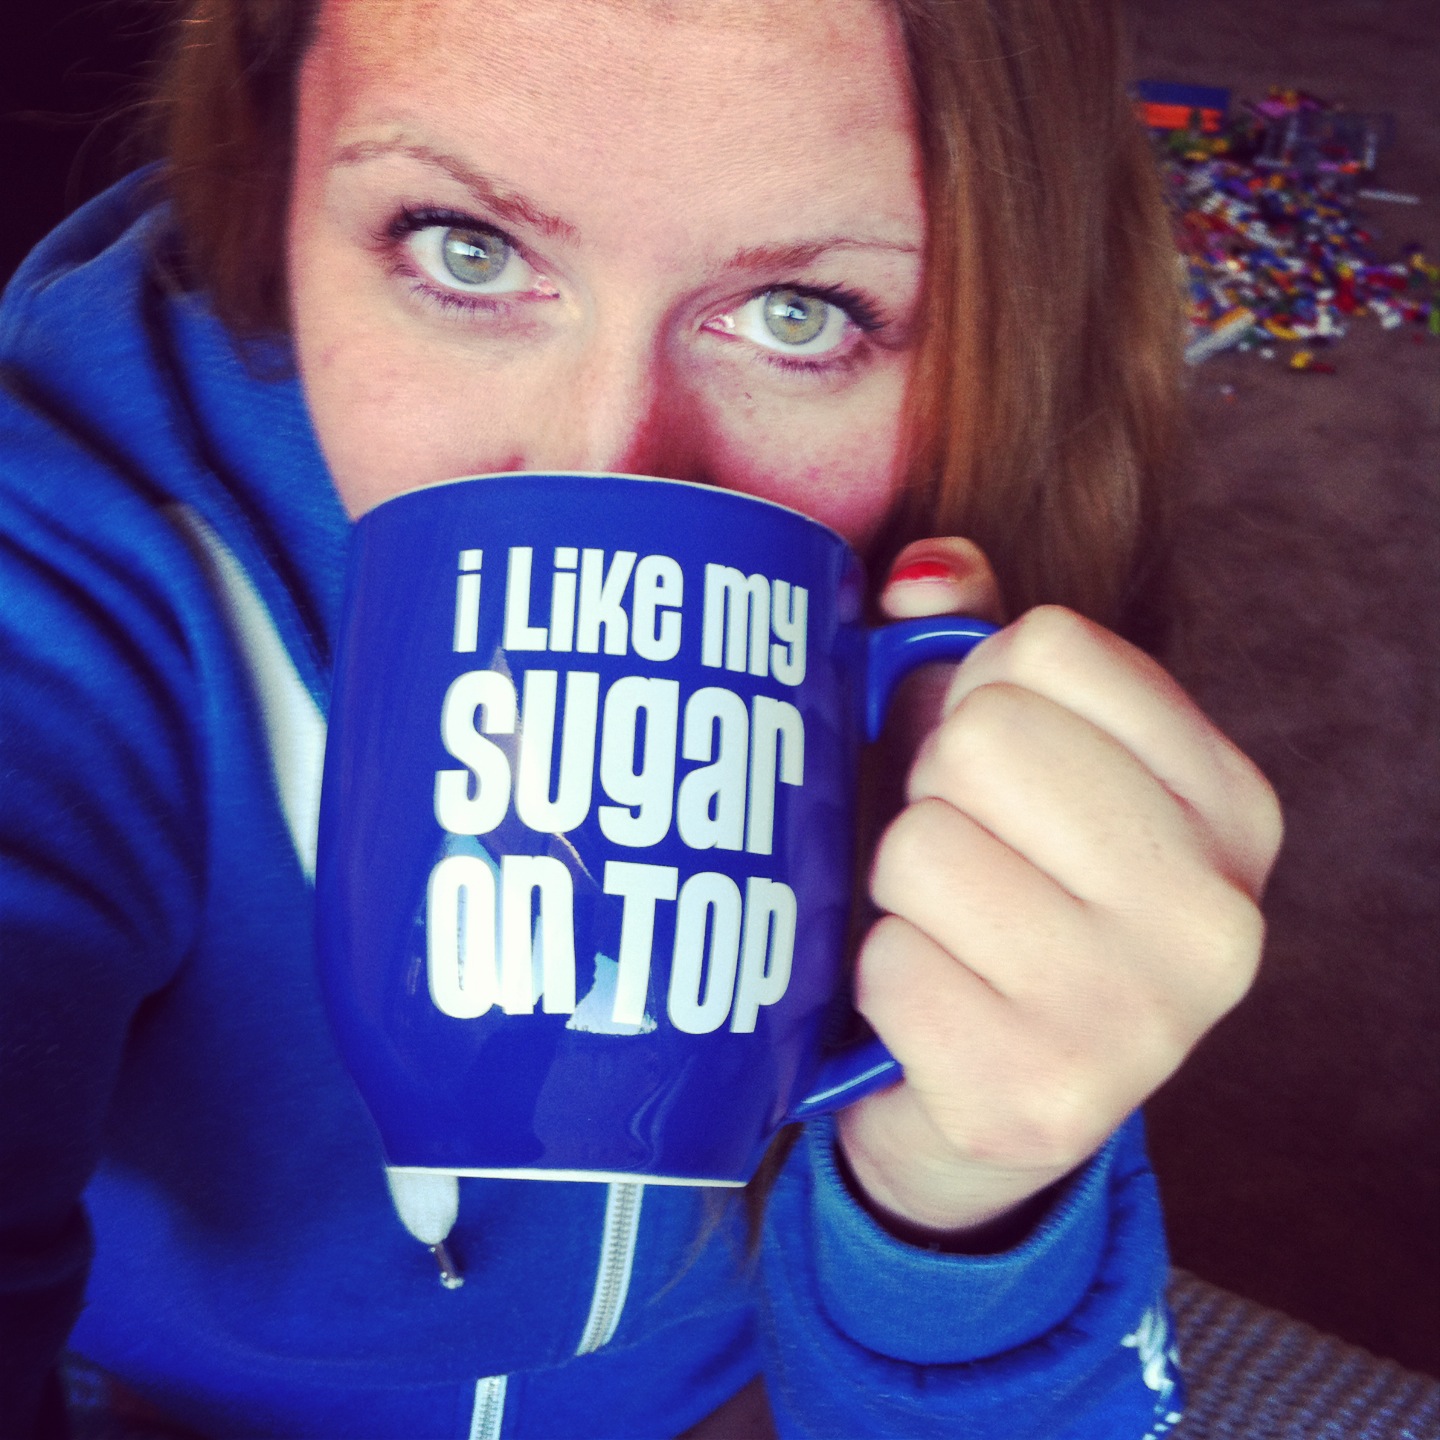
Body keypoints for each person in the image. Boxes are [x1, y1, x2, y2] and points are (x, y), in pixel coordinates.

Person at [0, 0, 1283, 1435]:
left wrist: (966, 1206)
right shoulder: (54, 582)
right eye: (464, 245)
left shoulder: (947, 557)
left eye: (800, 313)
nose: (606, 466)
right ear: (274, 150)